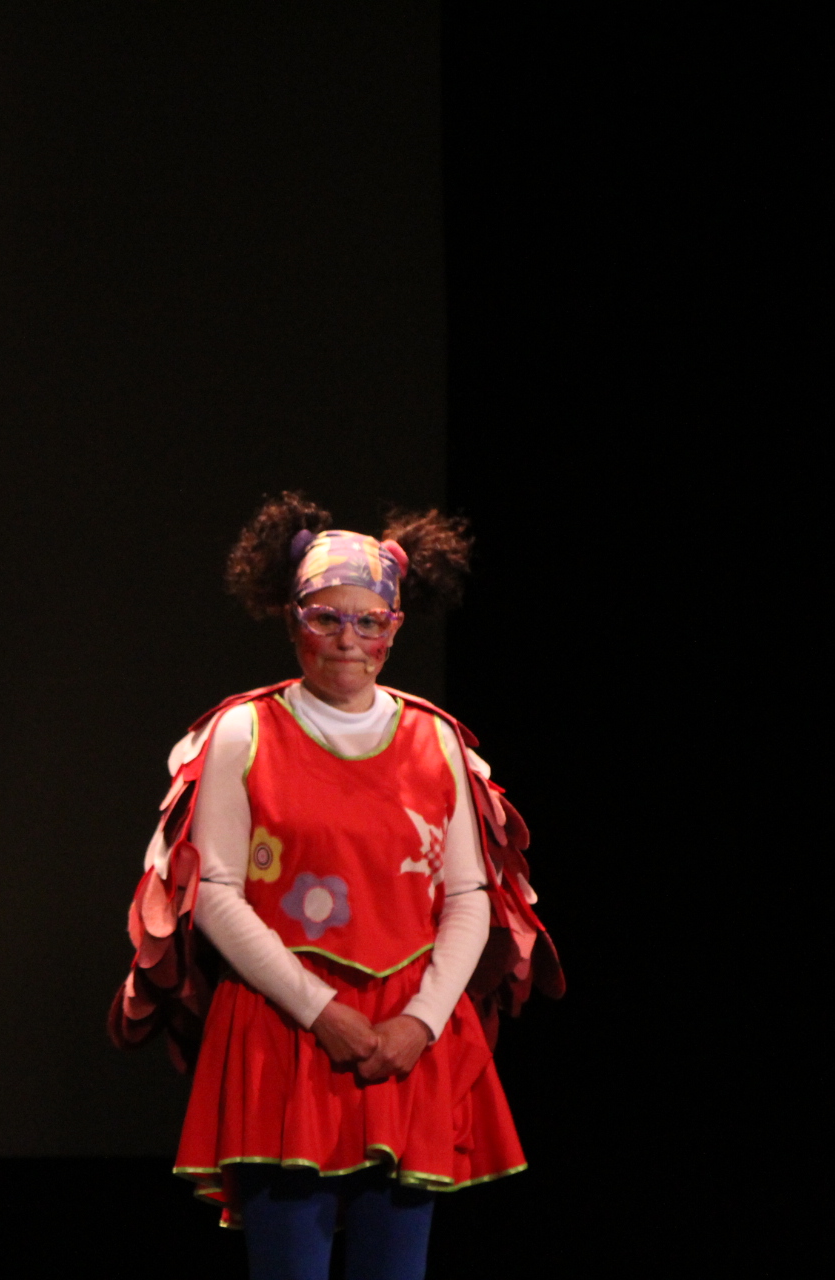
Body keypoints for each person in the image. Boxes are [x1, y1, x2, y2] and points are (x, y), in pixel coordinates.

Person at [110, 492, 561, 1280]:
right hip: (286, 1033)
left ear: (395, 627)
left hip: (406, 1037)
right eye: (326, 618)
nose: (348, 640)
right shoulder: (244, 733)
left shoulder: (436, 740)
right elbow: (213, 890)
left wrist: (420, 1023)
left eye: (368, 621)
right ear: (292, 620)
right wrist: (323, 1012)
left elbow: (468, 896)